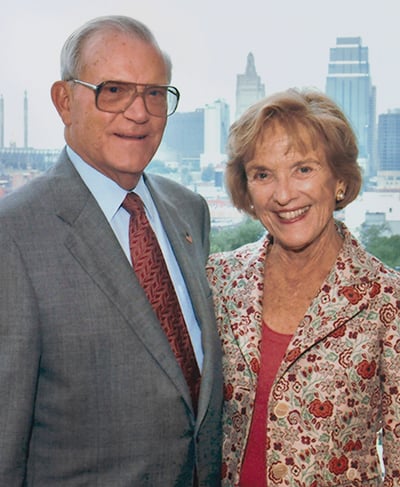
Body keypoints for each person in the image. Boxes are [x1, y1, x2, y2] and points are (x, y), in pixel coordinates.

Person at [0, 15, 222, 486]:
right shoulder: (13, 235)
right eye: (114, 91)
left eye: (155, 93)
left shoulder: (189, 211)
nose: (138, 113)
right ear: (64, 101)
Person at [206, 88, 400, 486]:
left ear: (340, 180)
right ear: (247, 189)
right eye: (263, 174)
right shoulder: (219, 280)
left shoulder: (388, 298)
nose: (283, 194)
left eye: (303, 169)